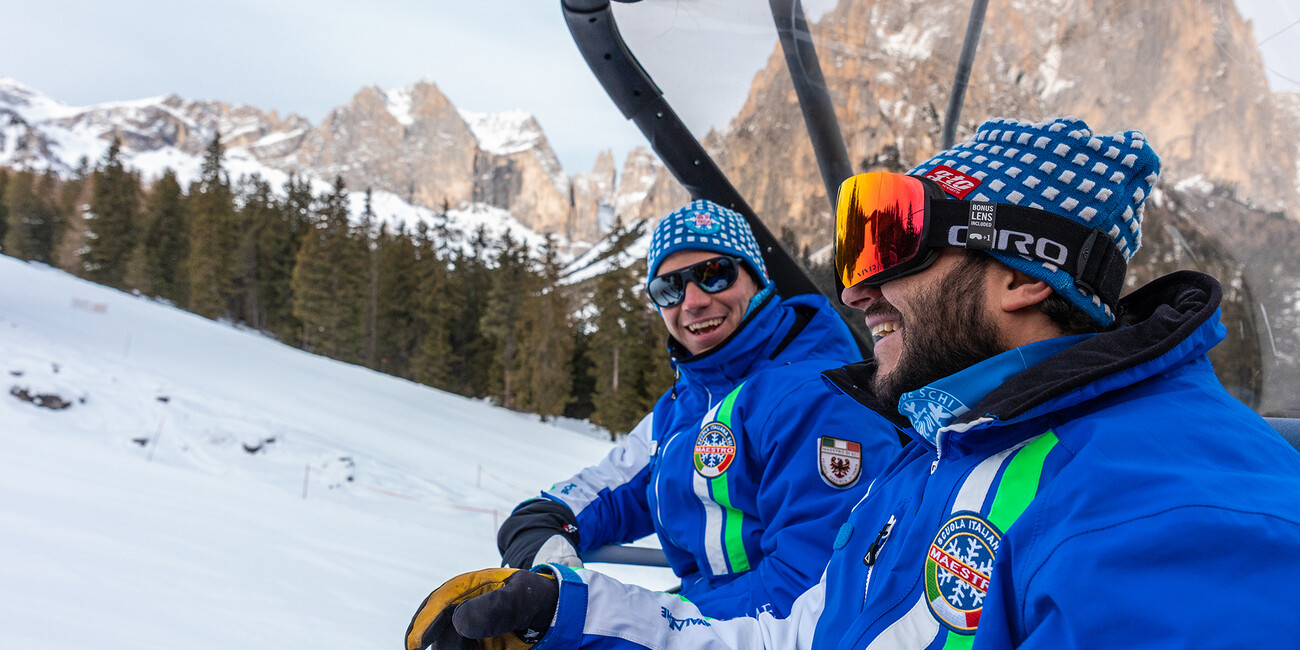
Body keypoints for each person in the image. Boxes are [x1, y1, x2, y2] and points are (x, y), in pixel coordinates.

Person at [406, 116, 1300, 649]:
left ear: (1021, 276)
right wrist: (572, 613)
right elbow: (806, 634)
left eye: (895, 246)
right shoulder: (947, 451)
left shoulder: (1171, 520)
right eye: (668, 289)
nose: (857, 290)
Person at [492, 199, 902, 619]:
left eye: (714, 274)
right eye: (668, 288)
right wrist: (545, 521)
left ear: (757, 278)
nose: (692, 301)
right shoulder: (688, 402)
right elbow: (617, 489)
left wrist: (634, 621)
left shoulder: (819, 399)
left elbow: (811, 594)